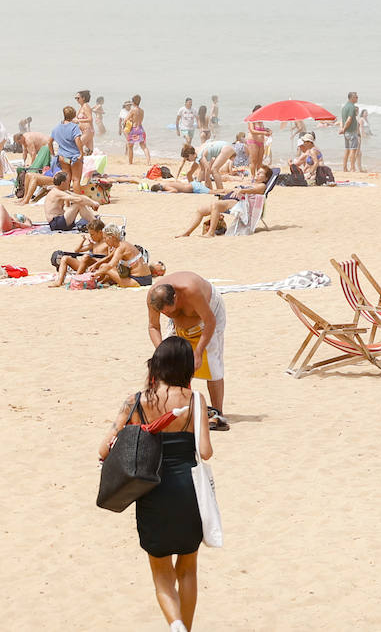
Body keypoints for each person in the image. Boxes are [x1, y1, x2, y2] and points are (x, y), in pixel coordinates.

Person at [98, 336, 213, 632]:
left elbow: (102, 450)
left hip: (151, 491)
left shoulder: (136, 400)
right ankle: (185, 627)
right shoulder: (195, 400)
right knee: (187, 569)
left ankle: (174, 624)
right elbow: (205, 451)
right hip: (188, 491)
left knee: (161, 572)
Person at [148, 272, 229, 429]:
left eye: (169, 311)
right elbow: (153, 326)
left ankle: (218, 411)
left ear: (176, 298)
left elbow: (210, 321)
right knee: (170, 363)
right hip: (181, 324)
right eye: (164, 314)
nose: (168, 314)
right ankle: (175, 406)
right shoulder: (153, 296)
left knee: (211, 360)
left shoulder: (191, 291)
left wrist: (198, 352)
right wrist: (162, 352)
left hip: (210, 313)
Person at [175, 167, 272, 237]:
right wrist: (223, 191)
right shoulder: (252, 183)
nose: (257, 174)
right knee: (200, 210)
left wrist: (243, 190)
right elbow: (235, 189)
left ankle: (211, 233)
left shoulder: (262, 186)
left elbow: (253, 191)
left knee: (216, 205)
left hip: (242, 204)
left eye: (260, 173)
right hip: (233, 199)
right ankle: (187, 232)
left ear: (266, 178)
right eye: (257, 172)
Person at [94, 227, 166, 288]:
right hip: (147, 279)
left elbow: (110, 265)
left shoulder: (121, 248)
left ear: (111, 237)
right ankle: (98, 283)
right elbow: (109, 258)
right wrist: (95, 265)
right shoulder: (124, 244)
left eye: (105, 238)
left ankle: (94, 283)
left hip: (138, 281)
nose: (104, 241)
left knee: (105, 268)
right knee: (107, 268)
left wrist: (95, 274)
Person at [49, 218, 111, 288]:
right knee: (65, 258)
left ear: (100, 233)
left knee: (86, 257)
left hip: (98, 268)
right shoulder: (94, 244)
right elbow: (77, 250)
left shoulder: (107, 243)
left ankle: (75, 280)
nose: (91, 237)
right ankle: (59, 281)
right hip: (87, 267)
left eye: (92, 234)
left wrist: (96, 263)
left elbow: (110, 259)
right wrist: (83, 240)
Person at [49, 105, 84, 185]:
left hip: (63, 158)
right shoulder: (74, 127)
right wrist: (81, 153)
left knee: (67, 179)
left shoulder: (56, 128)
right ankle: (77, 198)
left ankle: (67, 196)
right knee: (76, 179)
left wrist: (53, 154)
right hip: (74, 158)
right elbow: (77, 140)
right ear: (73, 115)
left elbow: (49, 142)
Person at [244, 106, 270, 179]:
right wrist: (264, 132)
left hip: (261, 142)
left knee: (260, 160)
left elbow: (262, 129)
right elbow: (252, 130)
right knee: (253, 160)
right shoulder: (251, 119)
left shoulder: (261, 120)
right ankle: (252, 176)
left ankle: (258, 176)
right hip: (253, 141)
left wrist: (267, 130)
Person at [126, 95, 151, 165]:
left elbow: (126, 119)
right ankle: (148, 162)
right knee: (143, 146)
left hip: (133, 129)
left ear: (133, 102)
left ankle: (130, 162)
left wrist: (127, 122)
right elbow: (140, 120)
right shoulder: (142, 111)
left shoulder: (133, 110)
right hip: (140, 129)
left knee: (130, 146)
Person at [339, 91, 361, 173]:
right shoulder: (352, 107)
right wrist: (344, 129)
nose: (357, 98)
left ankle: (344, 168)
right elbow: (348, 120)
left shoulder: (344, 107)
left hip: (346, 132)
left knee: (347, 150)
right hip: (351, 131)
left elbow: (343, 120)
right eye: (356, 97)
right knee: (353, 150)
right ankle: (352, 168)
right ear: (352, 98)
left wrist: (342, 129)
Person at [75, 90, 95, 154]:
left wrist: (78, 120)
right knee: (88, 151)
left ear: (83, 98)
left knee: (77, 146)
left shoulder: (86, 106)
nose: (76, 100)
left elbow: (90, 119)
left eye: (78, 98)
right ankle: (86, 163)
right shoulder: (82, 107)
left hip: (88, 131)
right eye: (75, 98)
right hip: (84, 131)